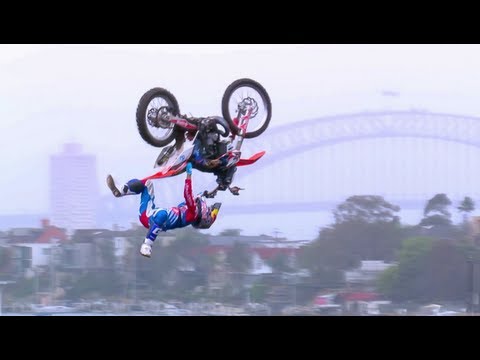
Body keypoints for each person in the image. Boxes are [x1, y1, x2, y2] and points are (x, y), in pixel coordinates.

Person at [106, 162, 221, 258]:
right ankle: (119, 191)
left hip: (155, 219)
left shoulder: (193, 213)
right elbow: (196, 198)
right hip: (148, 213)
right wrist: (207, 193)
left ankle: (147, 245)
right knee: (147, 183)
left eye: (209, 210)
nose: (208, 207)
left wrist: (189, 174)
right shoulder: (190, 210)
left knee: (163, 214)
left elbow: (188, 194)